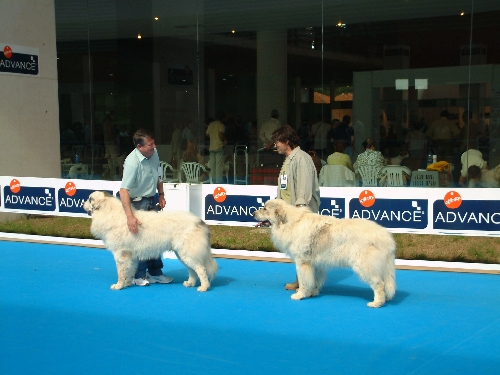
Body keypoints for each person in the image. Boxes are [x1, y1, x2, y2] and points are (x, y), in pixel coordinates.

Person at [120, 128, 173, 287]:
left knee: (154, 238)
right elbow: (123, 190)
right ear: (139, 147)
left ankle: (156, 273)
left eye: (153, 143)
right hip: (135, 203)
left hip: (150, 200)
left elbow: (159, 174)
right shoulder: (131, 162)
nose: (154, 146)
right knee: (139, 241)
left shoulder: (154, 153)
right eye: (150, 144)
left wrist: (161, 194)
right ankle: (139, 275)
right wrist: (130, 216)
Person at [270, 125, 320, 291]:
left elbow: (304, 189)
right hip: (292, 214)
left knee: (306, 251)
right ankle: (302, 281)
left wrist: (299, 212)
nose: (275, 145)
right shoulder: (289, 159)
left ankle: (308, 284)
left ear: (287, 141)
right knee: (300, 251)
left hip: (301, 215)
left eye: (277, 142)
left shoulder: (302, 159)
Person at [206, 111, 227, 183]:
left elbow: (207, 134)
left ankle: (213, 181)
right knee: (219, 166)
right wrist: (224, 140)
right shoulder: (221, 125)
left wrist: (213, 137)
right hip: (219, 146)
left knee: (213, 165)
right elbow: (220, 134)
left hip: (211, 147)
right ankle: (218, 182)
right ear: (223, 118)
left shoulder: (211, 124)